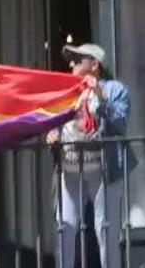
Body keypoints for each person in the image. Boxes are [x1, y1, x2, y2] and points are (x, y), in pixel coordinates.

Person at [49, 43, 131, 268]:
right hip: (70, 168)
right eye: (71, 59)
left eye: (78, 59)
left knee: (105, 229)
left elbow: (120, 125)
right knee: (64, 228)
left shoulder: (115, 89)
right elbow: (54, 121)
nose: (71, 63)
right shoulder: (67, 91)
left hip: (103, 169)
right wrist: (52, 133)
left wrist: (100, 97)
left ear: (94, 64)